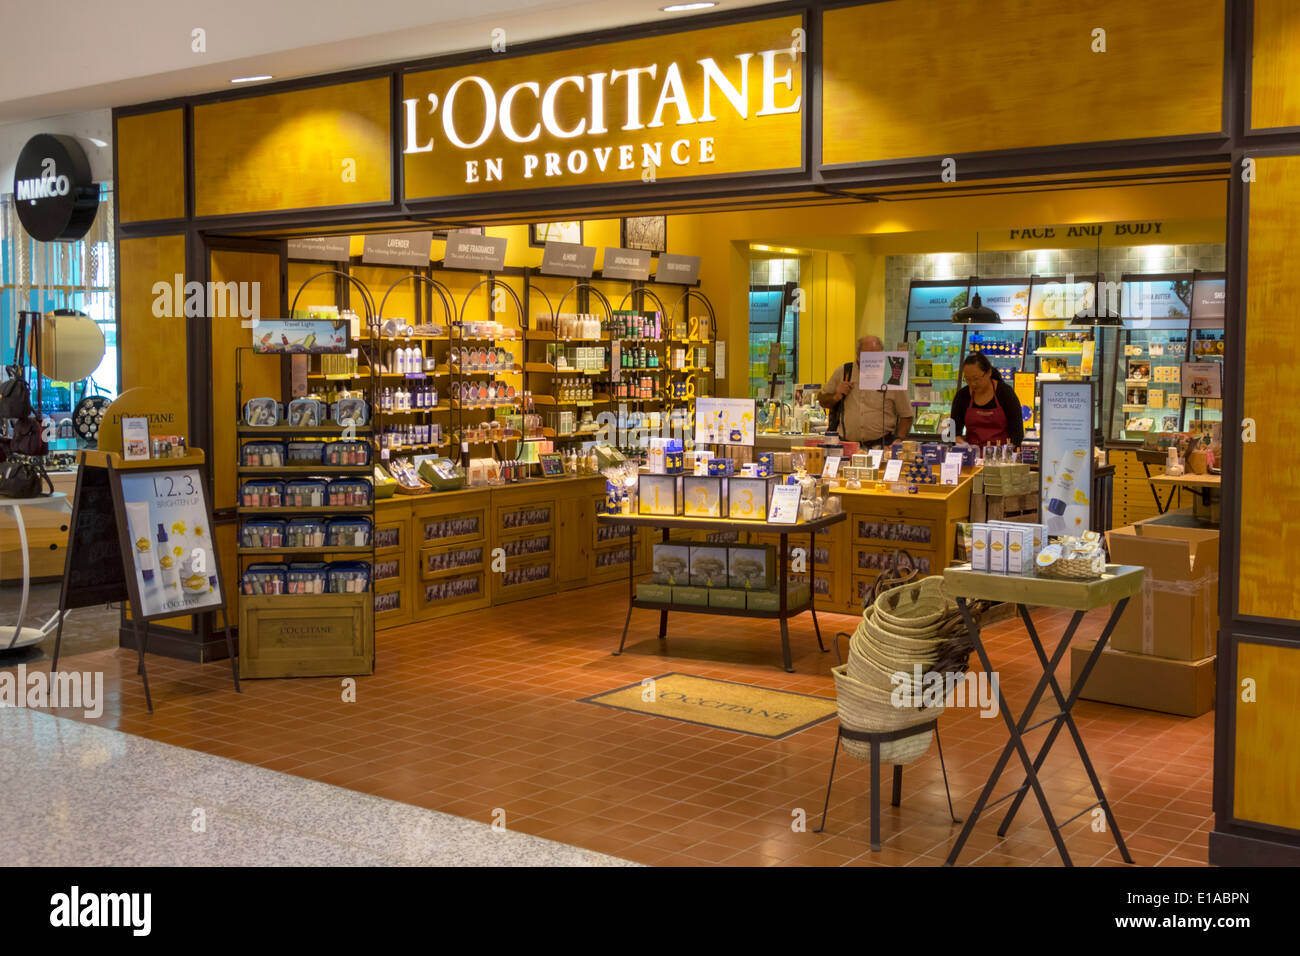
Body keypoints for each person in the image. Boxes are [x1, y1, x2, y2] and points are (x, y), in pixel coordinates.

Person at [818, 335, 913, 446]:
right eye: (868, 354)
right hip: (847, 445)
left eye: (877, 354)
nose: (873, 358)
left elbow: (906, 415)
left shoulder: (891, 373)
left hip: (881, 444)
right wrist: (836, 395)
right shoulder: (843, 372)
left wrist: (899, 440)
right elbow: (822, 401)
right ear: (858, 354)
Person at [949, 352, 1024, 446]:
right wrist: (962, 444)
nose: (972, 384)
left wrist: (1009, 453)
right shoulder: (962, 396)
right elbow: (953, 433)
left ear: (989, 372)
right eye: (968, 379)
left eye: (976, 379)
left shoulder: (1005, 393)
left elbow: (1017, 434)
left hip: (1001, 456)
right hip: (972, 455)